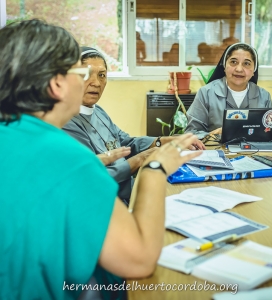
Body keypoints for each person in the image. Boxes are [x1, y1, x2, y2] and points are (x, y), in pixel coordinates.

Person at [0, 19, 202, 300]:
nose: (90, 81)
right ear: (58, 84)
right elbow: (138, 260)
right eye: (80, 71)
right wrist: (156, 167)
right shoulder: (66, 157)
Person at [63, 47, 205, 204]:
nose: (96, 83)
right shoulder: (66, 122)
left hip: (130, 193)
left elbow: (125, 142)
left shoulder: (98, 112)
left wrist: (163, 141)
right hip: (108, 205)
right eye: (86, 74)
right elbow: (91, 178)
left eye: (102, 75)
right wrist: (139, 160)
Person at [185, 42, 272, 139]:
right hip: (216, 151)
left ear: (254, 70)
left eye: (246, 63)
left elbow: (271, 130)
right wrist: (213, 135)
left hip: (252, 152)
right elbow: (191, 133)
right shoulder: (206, 93)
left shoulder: (264, 96)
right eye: (233, 62)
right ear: (224, 66)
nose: (239, 69)